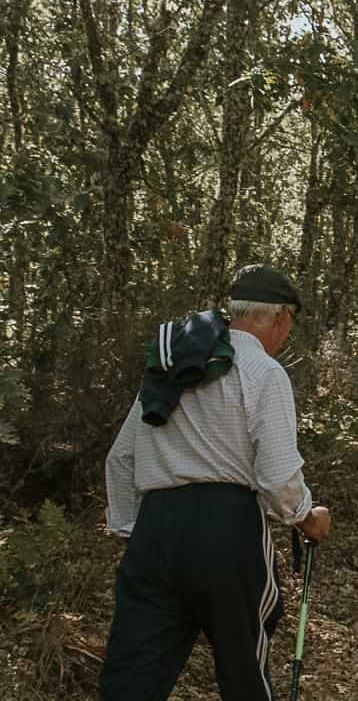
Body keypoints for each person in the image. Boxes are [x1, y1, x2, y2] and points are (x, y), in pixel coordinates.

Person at [100, 264, 331, 701]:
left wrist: (132, 528)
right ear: (280, 317)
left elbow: (122, 456)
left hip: (155, 530)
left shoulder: (172, 364)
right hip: (228, 530)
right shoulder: (263, 371)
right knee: (243, 669)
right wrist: (307, 519)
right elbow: (278, 476)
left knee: (131, 677)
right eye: (290, 324)